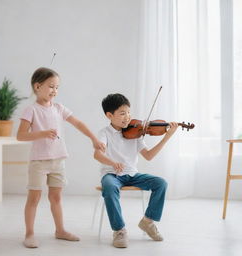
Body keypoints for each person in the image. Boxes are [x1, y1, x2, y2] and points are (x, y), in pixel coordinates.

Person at [17, 67, 105, 248]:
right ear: (37, 86)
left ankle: (60, 230)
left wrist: (94, 139)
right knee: (34, 198)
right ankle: (29, 233)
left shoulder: (59, 108)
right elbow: (20, 136)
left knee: (56, 197)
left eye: (57, 87)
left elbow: (78, 123)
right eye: (51, 86)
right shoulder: (31, 110)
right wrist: (41, 133)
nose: (55, 91)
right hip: (39, 162)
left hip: (58, 160)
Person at [94, 93, 178, 248]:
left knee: (161, 183)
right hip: (112, 174)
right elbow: (97, 154)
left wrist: (167, 137)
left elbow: (149, 156)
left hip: (133, 174)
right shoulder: (104, 133)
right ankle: (119, 230)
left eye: (128, 112)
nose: (127, 117)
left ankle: (147, 222)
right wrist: (112, 163)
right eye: (122, 113)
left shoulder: (136, 133)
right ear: (109, 115)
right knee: (110, 186)